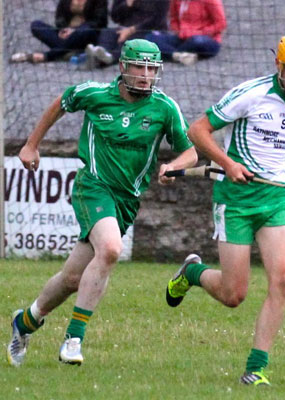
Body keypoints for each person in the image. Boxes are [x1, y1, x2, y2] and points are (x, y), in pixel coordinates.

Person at [7, 39, 198, 367]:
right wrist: (31, 145)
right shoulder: (94, 94)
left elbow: (190, 152)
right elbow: (61, 102)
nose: (146, 75)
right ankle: (74, 339)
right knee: (110, 249)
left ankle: (25, 322)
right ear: (123, 67)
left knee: (71, 279)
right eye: (140, 67)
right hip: (92, 187)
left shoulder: (165, 108)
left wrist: (173, 166)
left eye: (152, 69)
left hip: (126, 201)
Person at [165, 33, 285, 386]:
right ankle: (192, 274)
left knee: (283, 279)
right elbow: (198, 130)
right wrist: (227, 163)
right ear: (277, 65)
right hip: (235, 201)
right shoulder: (251, 94)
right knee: (233, 295)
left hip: (275, 202)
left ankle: (256, 368)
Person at [10, 0, 108, 64]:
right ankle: (67, 51)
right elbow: (59, 18)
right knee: (36, 25)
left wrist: (75, 30)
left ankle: (46, 56)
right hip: (66, 34)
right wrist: (63, 29)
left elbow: (100, 22)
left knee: (86, 31)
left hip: (86, 35)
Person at [85, 0, 170, 68]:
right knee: (107, 32)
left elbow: (158, 19)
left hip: (148, 30)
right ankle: (100, 52)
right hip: (124, 28)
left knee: (131, 41)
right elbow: (115, 17)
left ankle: (109, 58)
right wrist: (127, 4)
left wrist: (133, 29)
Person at [146, 0, 226, 66]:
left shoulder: (211, 1)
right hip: (182, 38)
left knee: (197, 41)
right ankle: (179, 56)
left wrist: (197, 32)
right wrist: (178, 31)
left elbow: (220, 24)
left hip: (206, 39)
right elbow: (173, 19)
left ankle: (170, 53)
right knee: (150, 38)